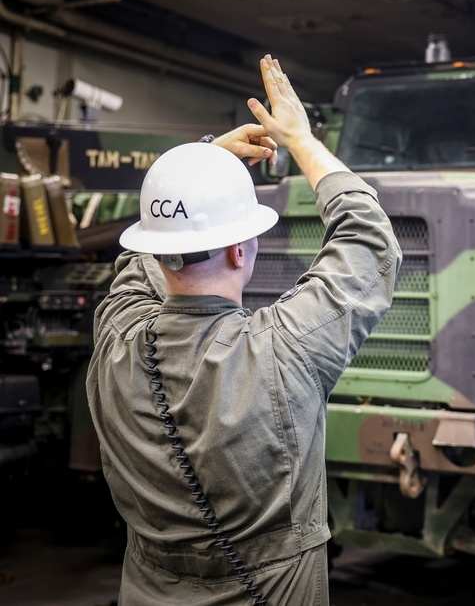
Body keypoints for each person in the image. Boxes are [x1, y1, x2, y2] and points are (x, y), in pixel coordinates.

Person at [86, 54, 400, 605]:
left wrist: (204, 163)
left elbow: (143, 262)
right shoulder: (285, 351)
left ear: (158, 250)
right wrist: (300, 139)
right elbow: (372, 242)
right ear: (240, 249)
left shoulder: (115, 338)